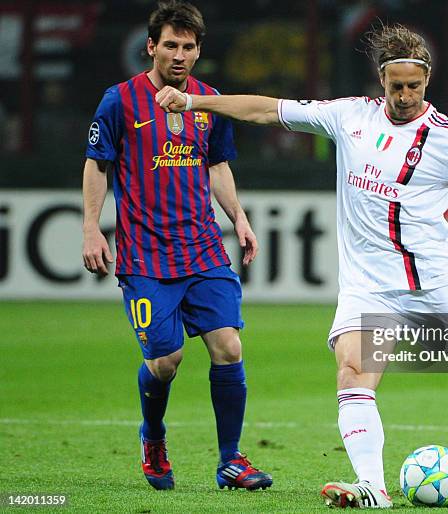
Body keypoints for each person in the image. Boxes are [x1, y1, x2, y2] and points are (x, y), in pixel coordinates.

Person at [155, 24, 448, 508]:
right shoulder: (348, 117)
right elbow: (267, 109)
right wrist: (195, 102)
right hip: (370, 287)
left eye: (414, 86)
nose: (405, 96)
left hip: (436, 282)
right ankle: (373, 486)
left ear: (426, 83)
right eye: (396, 87)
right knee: (352, 371)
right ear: (381, 82)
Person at [81, 0, 272, 492]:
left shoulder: (209, 101)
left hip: (203, 248)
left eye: (188, 47)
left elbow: (217, 166)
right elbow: (97, 163)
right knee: (165, 362)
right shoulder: (119, 101)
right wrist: (90, 227)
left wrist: (240, 218)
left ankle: (230, 460)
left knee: (229, 347)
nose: (180, 55)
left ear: (198, 50)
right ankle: (153, 435)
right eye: (171, 45)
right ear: (151, 47)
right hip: (145, 256)